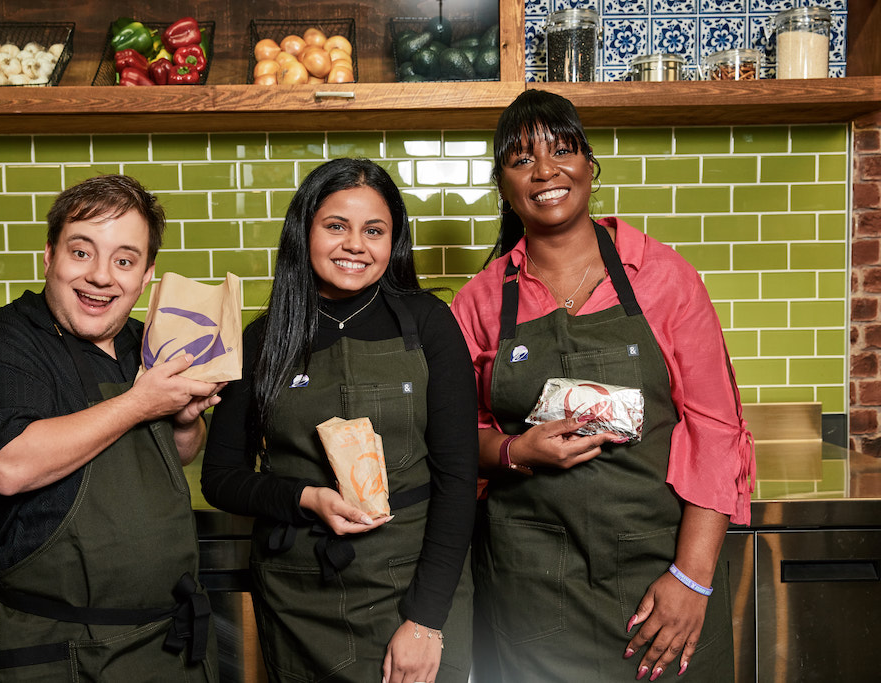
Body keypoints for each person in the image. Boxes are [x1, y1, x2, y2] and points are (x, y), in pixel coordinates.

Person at [450, 90, 755, 682]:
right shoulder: (480, 300)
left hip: (659, 576)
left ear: (590, 166)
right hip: (530, 590)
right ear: (503, 185)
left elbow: (716, 431)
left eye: (562, 150)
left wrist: (692, 578)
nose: (545, 171)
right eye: (521, 159)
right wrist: (516, 451)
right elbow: (459, 437)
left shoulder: (664, 278)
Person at [201, 158, 478, 683]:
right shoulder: (262, 340)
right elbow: (220, 478)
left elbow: (458, 482)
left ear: (393, 242)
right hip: (298, 593)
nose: (355, 245)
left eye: (374, 231)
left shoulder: (429, 324)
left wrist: (426, 620)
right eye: (336, 226)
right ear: (303, 231)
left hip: (411, 588)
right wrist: (305, 498)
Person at [0, 174, 223, 682]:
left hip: (166, 646)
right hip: (61, 652)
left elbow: (178, 452)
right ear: (49, 255)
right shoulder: (3, 344)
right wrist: (139, 403)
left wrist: (186, 421)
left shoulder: (148, 341)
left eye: (124, 260)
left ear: (146, 276)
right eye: (81, 253)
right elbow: (9, 467)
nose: (101, 276)